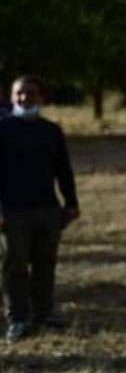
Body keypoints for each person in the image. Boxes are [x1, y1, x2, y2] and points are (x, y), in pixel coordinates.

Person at [0, 75, 80, 343]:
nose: (25, 98)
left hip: (47, 210)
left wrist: (71, 203)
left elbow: (63, 170)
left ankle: (43, 314)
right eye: (19, 94)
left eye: (31, 93)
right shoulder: (3, 129)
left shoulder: (51, 131)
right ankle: (18, 319)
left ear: (42, 97)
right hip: (12, 212)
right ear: (12, 98)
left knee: (46, 264)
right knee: (15, 266)